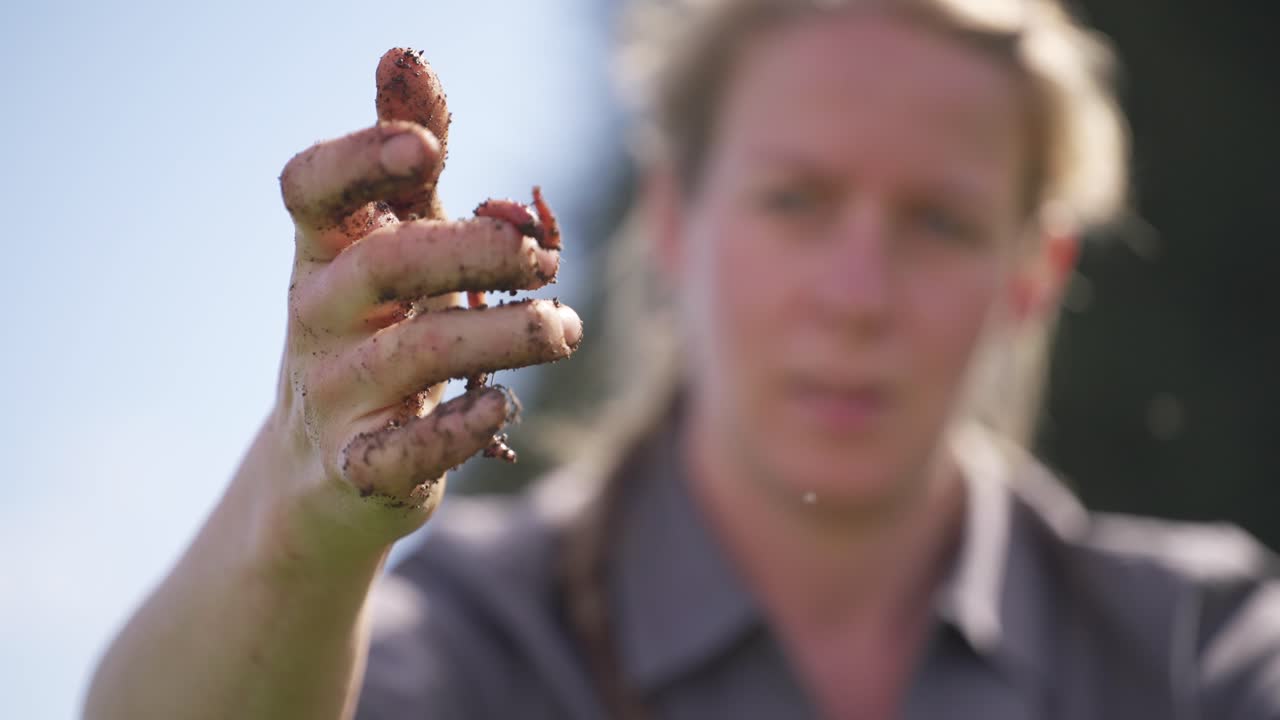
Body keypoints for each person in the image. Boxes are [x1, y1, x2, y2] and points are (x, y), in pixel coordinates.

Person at [84, 0, 1280, 718]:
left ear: (1032, 271)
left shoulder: (1197, 646)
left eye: (940, 221)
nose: (854, 296)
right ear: (672, 222)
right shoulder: (479, 638)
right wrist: (305, 518)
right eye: (794, 198)